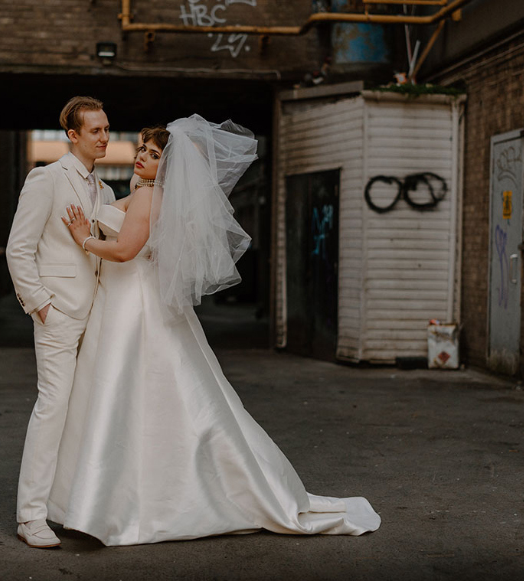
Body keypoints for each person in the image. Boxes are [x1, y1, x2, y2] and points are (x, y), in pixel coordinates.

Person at [47, 116, 381, 546]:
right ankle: (115, 498)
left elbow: (125, 250)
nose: (143, 157)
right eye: (143, 149)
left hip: (133, 304)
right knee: (147, 394)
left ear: (167, 166)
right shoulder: (150, 193)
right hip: (129, 299)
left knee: (123, 393)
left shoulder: (148, 197)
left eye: (154, 155)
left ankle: (109, 504)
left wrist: (82, 238)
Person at [5, 96, 115, 548]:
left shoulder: (106, 191)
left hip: (97, 315)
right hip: (58, 313)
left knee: (84, 410)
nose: (105, 137)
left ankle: (67, 505)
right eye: (96, 130)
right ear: (73, 135)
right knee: (52, 408)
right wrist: (40, 305)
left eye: (107, 129)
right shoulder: (46, 179)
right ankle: (30, 516)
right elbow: (19, 248)